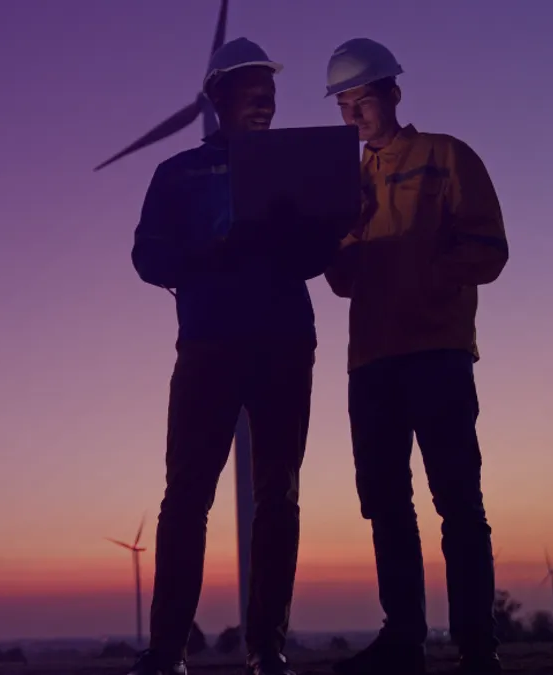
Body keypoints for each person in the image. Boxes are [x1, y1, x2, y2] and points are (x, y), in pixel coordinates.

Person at [127, 38, 341, 675]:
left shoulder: (297, 167)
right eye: (253, 93)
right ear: (218, 98)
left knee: (278, 495)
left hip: (284, 344)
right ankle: (167, 651)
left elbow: (311, 260)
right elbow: (147, 258)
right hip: (208, 347)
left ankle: (266, 645)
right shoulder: (176, 174)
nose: (265, 104)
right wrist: (210, 252)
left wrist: (313, 229)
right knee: (187, 497)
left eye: (271, 95)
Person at [321, 38, 510, 675]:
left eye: (362, 99)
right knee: (384, 501)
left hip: (436, 352)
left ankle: (477, 647)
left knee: (457, 497)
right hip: (371, 360)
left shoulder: (447, 157)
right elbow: (341, 281)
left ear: (394, 92)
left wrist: (420, 275)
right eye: (344, 104)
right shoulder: (345, 183)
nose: (354, 115)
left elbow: (489, 250)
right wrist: (337, 241)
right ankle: (404, 639)